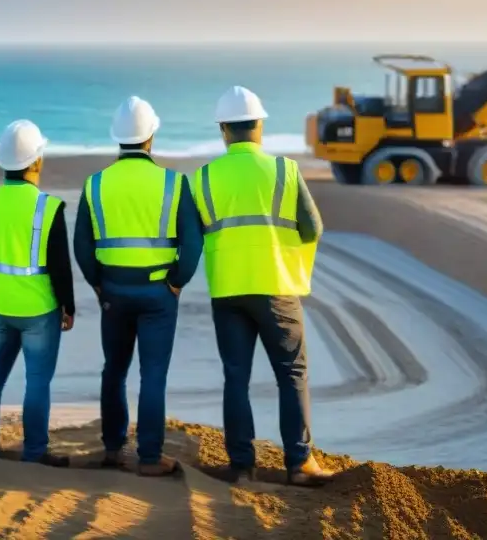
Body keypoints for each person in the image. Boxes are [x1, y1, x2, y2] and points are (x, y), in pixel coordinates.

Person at [190, 86, 335, 487]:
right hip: (276, 287)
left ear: (223, 129)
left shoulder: (202, 177)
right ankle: (300, 463)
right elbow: (313, 228)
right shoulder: (285, 171)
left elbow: (192, 235)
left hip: (227, 289)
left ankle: (242, 466)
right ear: (260, 126)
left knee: (236, 377)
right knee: (291, 374)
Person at [74, 96, 203, 476]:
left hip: (113, 292)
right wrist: (177, 281)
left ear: (117, 137)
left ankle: (113, 449)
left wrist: (98, 284)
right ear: (151, 137)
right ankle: (149, 457)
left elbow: (81, 245)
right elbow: (193, 242)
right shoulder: (174, 183)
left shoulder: (95, 184)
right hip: (158, 292)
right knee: (153, 374)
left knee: (114, 370)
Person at [0, 119, 75, 467]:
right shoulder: (48, 207)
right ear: (36, 160)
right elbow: (60, 266)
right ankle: (35, 453)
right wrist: (68, 307)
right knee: (38, 381)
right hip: (38, 310)